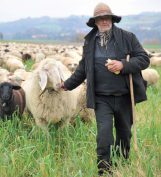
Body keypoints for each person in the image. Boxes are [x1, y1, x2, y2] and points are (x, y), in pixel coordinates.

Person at [61, 2, 149, 176]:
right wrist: (67, 84)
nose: (104, 21)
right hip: (102, 98)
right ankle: (104, 170)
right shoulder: (90, 42)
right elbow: (83, 68)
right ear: (95, 22)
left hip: (124, 96)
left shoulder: (127, 37)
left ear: (112, 19)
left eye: (106, 17)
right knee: (104, 136)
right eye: (100, 18)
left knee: (124, 135)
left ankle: (121, 166)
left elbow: (143, 59)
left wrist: (123, 64)